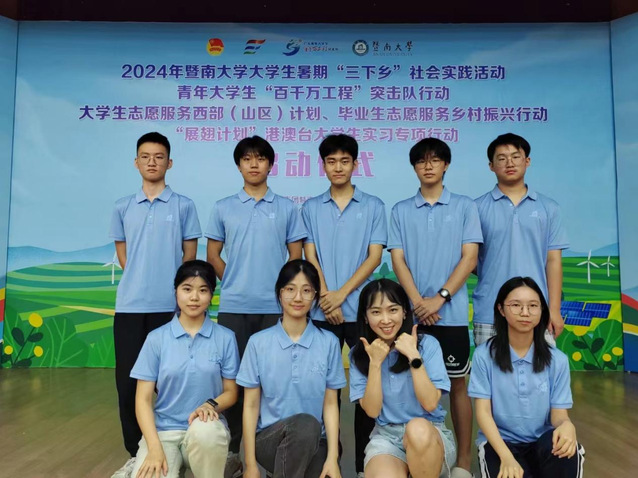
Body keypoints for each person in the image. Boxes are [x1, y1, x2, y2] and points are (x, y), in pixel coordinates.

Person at [205, 135, 307, 477]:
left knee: (274, 379)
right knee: (234, 380)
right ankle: (236, 450)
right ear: (239, 165)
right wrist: (233, 280)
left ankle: (273, 448)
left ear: (270, 164)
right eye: (247, 158)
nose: (253, 164)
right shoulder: (223, 207)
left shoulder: (287, 208)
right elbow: (213, 255)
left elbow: (295, 257)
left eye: (260, 158)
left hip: (274, 309)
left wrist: (282, 292)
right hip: (234, 307)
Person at [109, 132, 201, 477]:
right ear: (136, 162)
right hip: (130, 308)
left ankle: (174, 447)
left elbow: (189, 258)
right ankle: (136, 451)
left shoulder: (184, 206)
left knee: (170, 381)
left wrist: (178, 297)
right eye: (145, 156)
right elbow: (123, 255)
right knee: (129, 382)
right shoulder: (122, 206)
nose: (152, 162)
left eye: (159, 156)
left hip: (169, 308)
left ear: (169, 162)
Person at [389, 138, 482, 478]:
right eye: (421, 161)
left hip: (450, 314)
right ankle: (414, 455)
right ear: (414, 167)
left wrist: (439, 298)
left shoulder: (465, 207)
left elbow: (469, 258)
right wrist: (417, 303)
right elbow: (398, 260)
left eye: (435, 160)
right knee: (412, 382)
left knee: (457, 386)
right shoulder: (400, 210)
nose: (428, 166)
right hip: (413, 315)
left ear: (446, 165)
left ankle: (463, 462)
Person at [302, 134, 387, 476]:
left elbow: (374, 257)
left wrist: (341, 295)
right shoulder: (310, 207)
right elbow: (310, 254)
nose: (338, 167)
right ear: (323, 165)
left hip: (362, 312)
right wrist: (326, 295)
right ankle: (328, 461)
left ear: (355, 163)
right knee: (324, 388)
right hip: (322, 312)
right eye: (331, 161)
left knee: (367, 387)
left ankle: (366, 463)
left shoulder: (374, 206)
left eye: (344, 161)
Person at [130, 260, 240, 478]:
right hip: (164, 433)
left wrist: (210, 405)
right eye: (187, 289)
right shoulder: (156, 339)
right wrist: (154, 447)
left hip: (206, 427)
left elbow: (231, 392)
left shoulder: (226, 338)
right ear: (176, 292)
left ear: (211, 295)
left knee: (206, 432)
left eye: (203, 290)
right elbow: (142, 399)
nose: (194, 297)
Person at [237, 259, 346, 478]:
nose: (298, 298)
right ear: (279, 293)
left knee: (314, 443)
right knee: (305, 424)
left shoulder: (329, 343)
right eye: (290, 289)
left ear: (315, 296)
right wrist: (250, 465)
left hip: (316, 441)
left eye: (306, 290)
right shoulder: (258, 343)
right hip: (269, 439)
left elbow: (331, 404)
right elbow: (250, 405)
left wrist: (333, 458)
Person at [468, 277, 585, 477]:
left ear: (542, 311)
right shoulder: (483, 355)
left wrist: (567, 425)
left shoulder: (557, 360)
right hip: (501, 443)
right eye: (516, 305)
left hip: (543, 442)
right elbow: (483, 413)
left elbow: (559, 415)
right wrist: (506, 457)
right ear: (501, 309)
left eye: (533, 306)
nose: (525, 313)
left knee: (567, 451)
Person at [349, 279, 456, 478]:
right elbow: (372, 410)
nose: (385, 320)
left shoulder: (427, 345)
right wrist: (375, 363)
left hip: (430, 433)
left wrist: (413, 356)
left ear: (405, 312)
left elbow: (430, 403)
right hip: (387, 437)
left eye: (393, 310)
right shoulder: (359, 354)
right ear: (365, 317)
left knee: (417, 428)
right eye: (376, 312)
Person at [473, 133, 569, 346]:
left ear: (527, 161)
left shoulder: (548, 208)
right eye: (501, 158)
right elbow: (468, 259)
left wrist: (553, 310)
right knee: (490, 367)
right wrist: (491, 268)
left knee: (540, 367)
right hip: (490, 311)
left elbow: (553, 261)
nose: (509, 163)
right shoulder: (475, 208)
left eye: (516, 157)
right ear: (491, 166)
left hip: (536, 312)